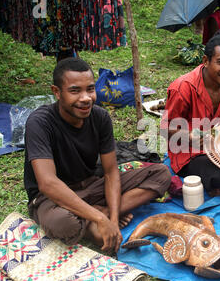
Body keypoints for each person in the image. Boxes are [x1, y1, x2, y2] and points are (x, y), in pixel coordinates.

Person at [23, 58, 171, 253]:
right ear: (56, 92)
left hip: (91, 185)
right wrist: (99, 217)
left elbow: (110, 171)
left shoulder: (100, 117)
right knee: (64, 223)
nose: (85, 98)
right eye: (75, 91)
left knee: (161, 173)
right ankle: (98, 223)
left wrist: (111, 215)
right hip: (52, 197)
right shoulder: (40, 123)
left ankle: (102, 215)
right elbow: (48, 183)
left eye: (90, 89)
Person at [161, 35, 220, 197]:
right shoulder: (183, 88)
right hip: (191, 154)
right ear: (206, 61)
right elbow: (165, 130)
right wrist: (189, 136)